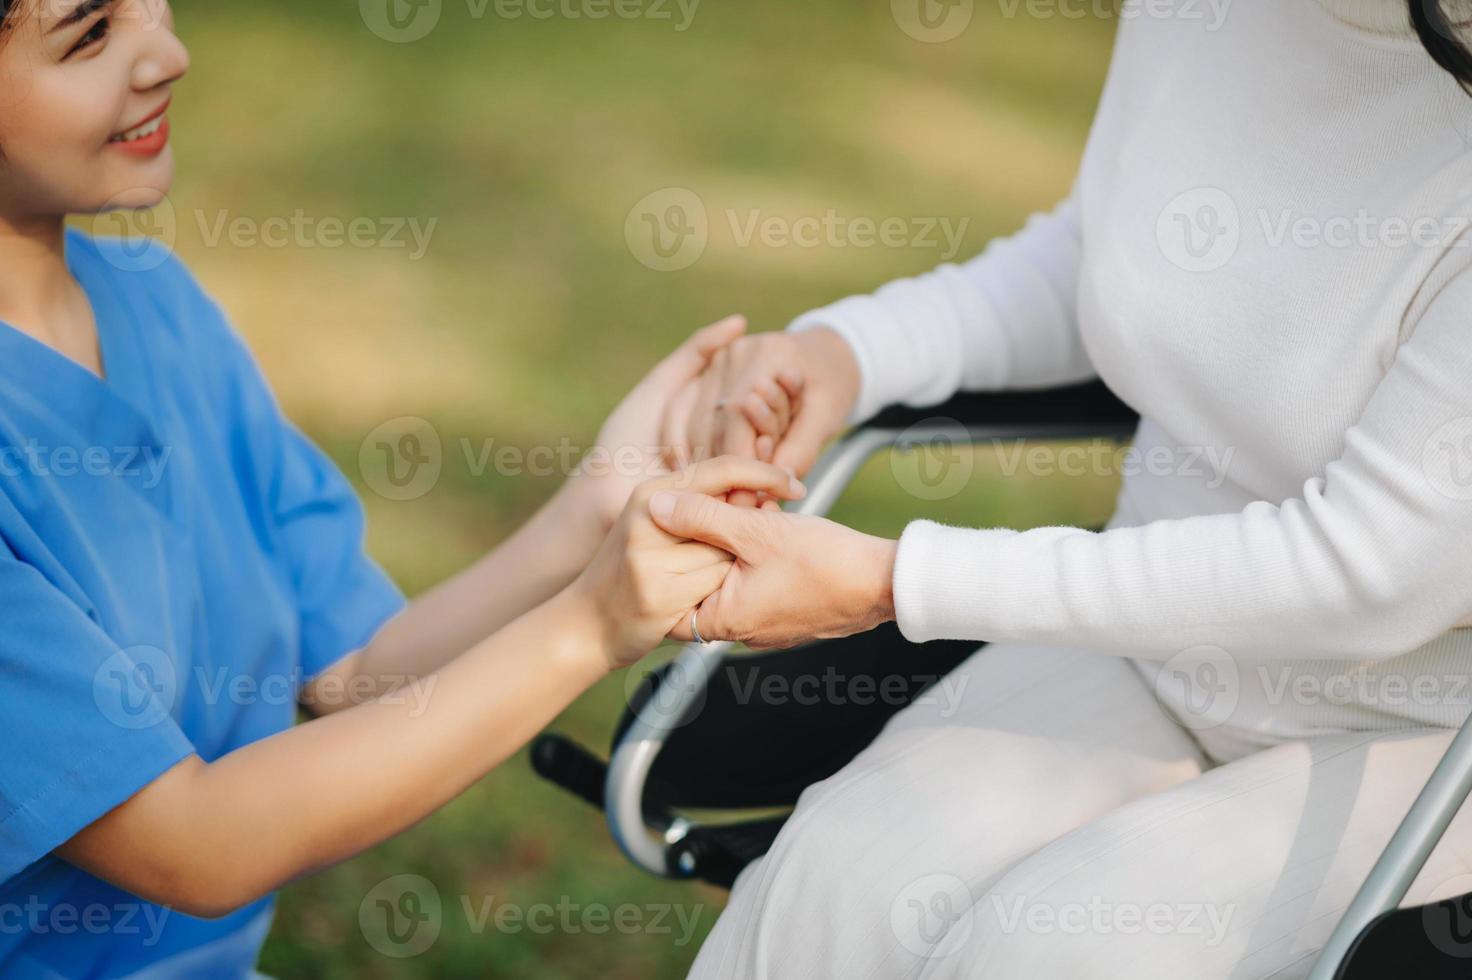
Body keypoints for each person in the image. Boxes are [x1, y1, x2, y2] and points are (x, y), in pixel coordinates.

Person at [654, 1, 1472, 976]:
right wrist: (848, 350)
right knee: (833, 881)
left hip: (1415, 731)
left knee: (1051, 947)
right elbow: (1107, 254)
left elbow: (1363, 572)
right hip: (1149, 649)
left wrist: (893, 579)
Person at [0, 2, 804, 975]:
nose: (168, 55)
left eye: (153, 7)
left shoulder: (158, 306)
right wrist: (591, 624)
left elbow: (354, 675)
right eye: (88, 36)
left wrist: (597, 504)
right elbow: (193, 843)